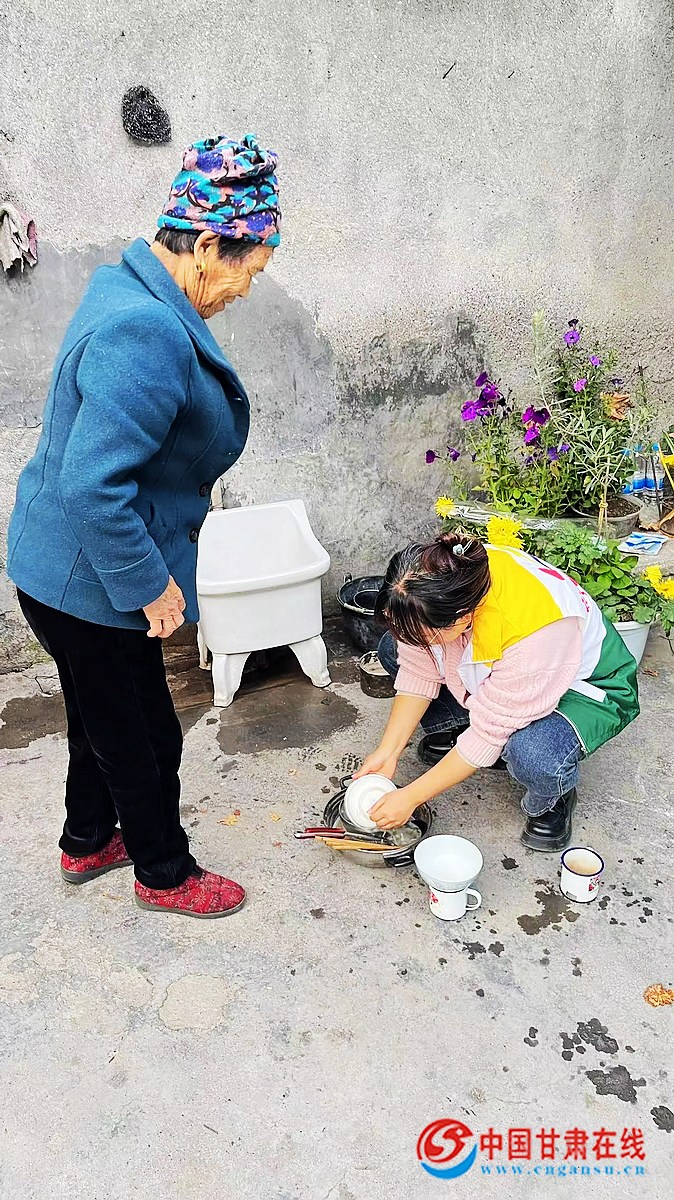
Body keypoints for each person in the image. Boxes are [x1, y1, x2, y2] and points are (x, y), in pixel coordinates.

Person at [7, 133, 281, 917]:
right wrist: (151, 587)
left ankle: (88, 839)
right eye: (250, 270)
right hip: (91, 579)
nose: (247, 289)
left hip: (57, 568)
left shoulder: (125, 285)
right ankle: (164, 873)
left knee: (98, 721)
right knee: (146, 739)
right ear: (208, 247)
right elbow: (94, 486)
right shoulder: (147, 330)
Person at [356, 533, 639, 849]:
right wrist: (388, 751)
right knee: (393, 647)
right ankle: (461, 729)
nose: (413, 638)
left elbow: (486, 735)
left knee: (532, 753)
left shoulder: (533, 635)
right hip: (513, 675)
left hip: (585, 687)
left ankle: (554, 796)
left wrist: (411, 796)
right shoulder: (451, 574)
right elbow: (418, 667)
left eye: (426, 634)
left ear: (463, 618)